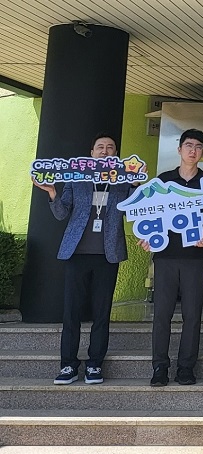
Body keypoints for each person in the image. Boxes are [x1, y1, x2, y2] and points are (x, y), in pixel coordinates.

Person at [34, 133, 135, 385]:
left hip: (108, 255)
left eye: (110, 147)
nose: (105, 151)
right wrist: (52, 193)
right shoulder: (76, 179)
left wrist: (138, 185)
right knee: (72, 312)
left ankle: (94, 365)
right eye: (100, 147)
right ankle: (68, 365)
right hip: (76, 254)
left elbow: (135, 208)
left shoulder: (123, 181)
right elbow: (61, 213)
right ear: (91, 153)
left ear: (116, 154)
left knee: (102, 313)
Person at [144, 128, 203, 387]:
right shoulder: (164, 180)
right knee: (162, 314)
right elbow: (151, 213)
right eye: (188, 145)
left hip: (195, 257)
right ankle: (159, 366)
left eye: (198, 146)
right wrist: (147, 234)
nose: (193, 150)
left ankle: (186, 367)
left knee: (193, 314)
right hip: (165, 256)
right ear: (179, 149)